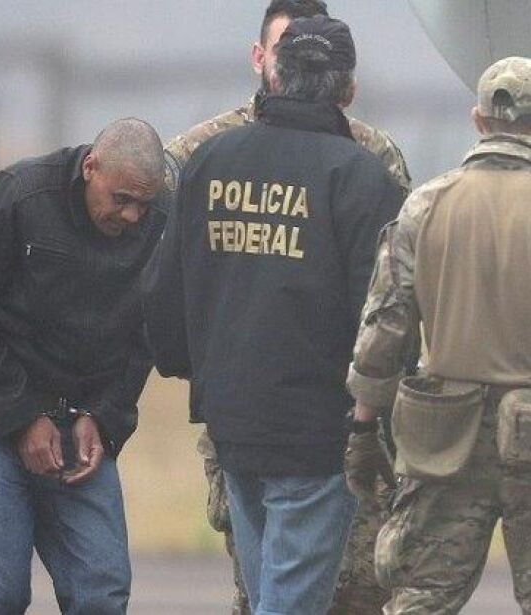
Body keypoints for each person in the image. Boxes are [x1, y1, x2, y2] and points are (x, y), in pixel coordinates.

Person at [145, 16, 405, 614]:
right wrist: (377, 408)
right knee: (289, 603)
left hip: (231, 422)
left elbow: (163, 290)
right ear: (348, 91)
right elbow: (383, 311)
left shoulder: (209, 162)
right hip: (316, 432)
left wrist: (193, 366)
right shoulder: (362, 177)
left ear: (274, 75)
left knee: (268, 592)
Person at [0, 118, 166, 614]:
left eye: (143, 203)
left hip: (83, 417)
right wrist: (24, 415)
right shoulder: (15, 196)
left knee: (101, 594)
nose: (132, 215)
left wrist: (105, 417)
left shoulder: (161, 222)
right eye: (122, 199)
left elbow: (148, 335)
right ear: (91, 167)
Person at [346, 56, 531, 613]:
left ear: (478, 120)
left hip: (446, 437)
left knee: (422, 596)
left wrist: (363, 426)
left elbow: (387, 325)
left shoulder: (426, 206)